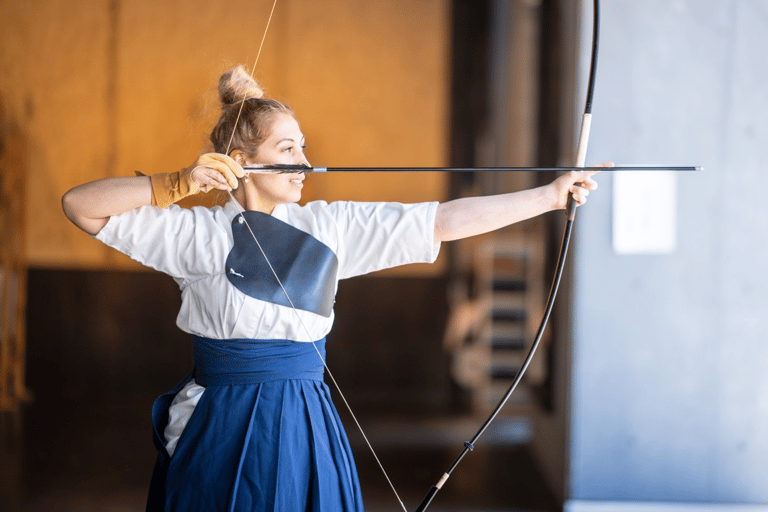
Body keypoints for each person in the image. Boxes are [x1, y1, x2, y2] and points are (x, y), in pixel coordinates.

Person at [62, 65, 602, 512]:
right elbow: (80, 206)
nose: (304, 162)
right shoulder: (197, 235)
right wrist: (177, 183)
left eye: (305, 147)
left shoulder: (329, 226)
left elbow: (440, 221)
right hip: (219, 421)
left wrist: (549, 198)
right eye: (288, 148)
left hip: (304, 416)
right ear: (243, 163)